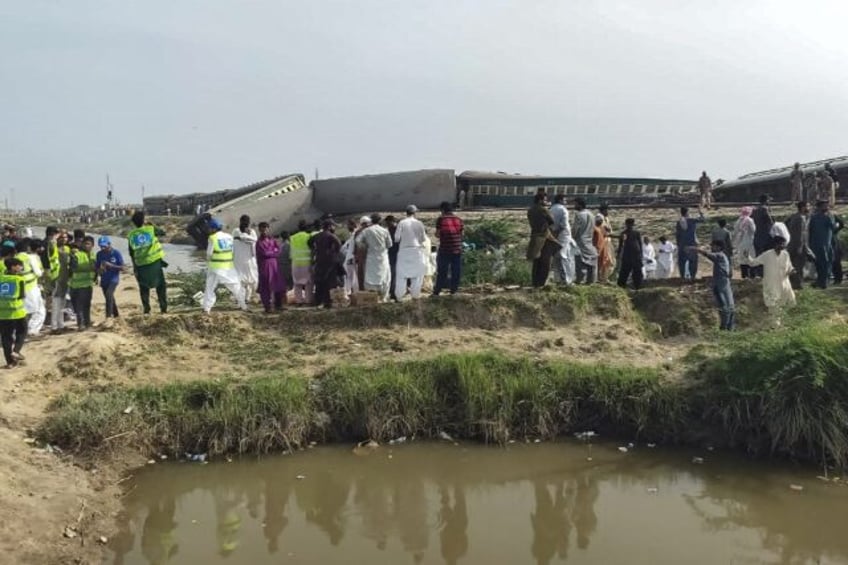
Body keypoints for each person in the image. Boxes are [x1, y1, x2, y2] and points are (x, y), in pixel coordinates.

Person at [746, 231, 795, 326]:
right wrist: (747, 257)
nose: (782, 246)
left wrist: (792, 271)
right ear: (775, 244)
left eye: (783, 244)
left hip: (784, 284)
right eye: (781, 244)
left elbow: (790, 267)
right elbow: (753, 263)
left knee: (789, 303)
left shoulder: (785, 254)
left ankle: (784, 323)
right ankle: (775, 327)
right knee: (773, 306)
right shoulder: (767, 255)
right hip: (771, 284)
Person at [127, 211, 168, 314]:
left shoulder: (131, 235)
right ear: (144, 220)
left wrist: (135, 267)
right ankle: (163, 308)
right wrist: (152, 224)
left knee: (143, 287)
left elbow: (131, 253)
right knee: (161, 285)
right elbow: (163, 232)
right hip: (154, 262)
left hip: (141, 265)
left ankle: (147, 309)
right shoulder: (151, 229)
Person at [203, 218, 247, 313]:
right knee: (235, 285)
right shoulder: (229, 236)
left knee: (210, 287)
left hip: (215, 267)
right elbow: (232, 251)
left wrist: (208, 262)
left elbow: (209, 254)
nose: (208, 230)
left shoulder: (212, 238)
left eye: (209, 228)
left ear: (213, 229)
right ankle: (243, 305)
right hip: (228, 266)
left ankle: (207, 308)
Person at [691, 240, 735, 330]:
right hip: (724, 282)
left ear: (718, 247)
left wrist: (696, 249)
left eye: (713, 246)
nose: (712, 248)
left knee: (724, 306)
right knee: (729, 305)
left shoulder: (719, 255)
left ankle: (724, 328)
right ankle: (729, 327)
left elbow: (708, 254)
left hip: (721, 283)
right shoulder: (724, 257)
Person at [394, 205, 428, 300]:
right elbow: (423, 239)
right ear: (415, 213)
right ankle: (415, 295)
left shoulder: (402, 223)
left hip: (404, 251)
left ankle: (399, 296)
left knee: (401, 275)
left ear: (406, 212)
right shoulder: (419, 223)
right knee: (417, 275)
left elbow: (396, 239)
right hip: (416, 250)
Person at [358, 213, 393, 301]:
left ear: (371, 221)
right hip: (383, 257)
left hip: (371, 257)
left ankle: (372, 298)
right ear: (380, 220)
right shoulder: (384, 230)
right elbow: (390, 244)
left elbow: (358, 240)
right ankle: (383, 297)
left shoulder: (366, 231)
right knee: (384, 276)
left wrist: (365, 246)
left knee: (371, 277)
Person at [526, 194, 559, 288]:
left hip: (535, 236)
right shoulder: (543, 209)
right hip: (544, 236)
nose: (546, 201)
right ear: (540, 200)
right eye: (545, 200)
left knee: (536, 262)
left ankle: (535, 282)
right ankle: (541, 283)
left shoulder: (530, 210)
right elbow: (552, 221)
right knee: (545, 261)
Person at [0, 257, 28, 368]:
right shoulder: (19, 279)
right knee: (22, 331)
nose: (21, 268)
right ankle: (16, 351)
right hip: (17, 312)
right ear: (13, 267)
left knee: (6, 337)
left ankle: (10, 362)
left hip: (2, 313)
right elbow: (23, 295)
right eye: (19, 265)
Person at [433, 201, 464, 295]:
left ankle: (437, 291)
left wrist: (439, 235)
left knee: (442, 271)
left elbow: (438, 234)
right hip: (457, 249)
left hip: (445, 249)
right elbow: (462, 234)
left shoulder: (441, 219)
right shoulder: (459, 219)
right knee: (456, 271)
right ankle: (453, 291)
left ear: (442, 210)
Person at [311, 220, 342, 308]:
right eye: (333, 226)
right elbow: (338, 244)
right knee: (330, 281)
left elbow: (309, 242)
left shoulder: (317, 235)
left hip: (319, 259)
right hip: (329, 261)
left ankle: (318, 301)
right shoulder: (331, 236)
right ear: (329, 226)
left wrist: (315, 249)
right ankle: (328, 301)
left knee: (319, 280)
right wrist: (333, 252)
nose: (334, 228)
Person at [68, 235, 97, 330]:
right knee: (79, 306)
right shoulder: (77, 255)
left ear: (93, 245)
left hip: (88, 284)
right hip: (77, 285)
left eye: (89, 244)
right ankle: (81, 324)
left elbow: (96, 268)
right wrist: (90, 268)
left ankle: (87, 323)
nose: (86, 246)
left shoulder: (93, 255)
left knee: (87, 305)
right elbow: (74, 268)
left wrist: (96, 276)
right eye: (85, 244)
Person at [255, 222, 285, 313]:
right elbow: (264, 253)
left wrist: (271, 252)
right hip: (265, 266)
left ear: (268, 229)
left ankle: (278, 305)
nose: (264, 231)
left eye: (266, 228)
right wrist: (273, 252)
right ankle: (267, 307)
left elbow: (278, 250)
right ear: (260, 230)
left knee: (278, 285)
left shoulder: (272, 240)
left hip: (274, 265)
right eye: (262, 229)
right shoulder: (259, 242)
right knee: (265, 287)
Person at [808, 200, 838, 289]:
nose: (827, 207)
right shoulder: (827, 217)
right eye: (825, 206)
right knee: (824, 264)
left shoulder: (813, 217)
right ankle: (822, 282)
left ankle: (821, 281)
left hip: (820, 244)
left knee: (821, 264)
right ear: (820, 207)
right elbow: (833, 228)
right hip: (823, 244)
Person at [786, 201, 814, 289]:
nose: (809, 208)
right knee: (798, 266)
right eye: (807, 206)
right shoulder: (800, 218)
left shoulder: (795, 216)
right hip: (798, 246)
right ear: (802, 207)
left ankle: (795, 284)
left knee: (794, 266)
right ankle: (797, 285)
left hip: (793, 245)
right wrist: (802, 248)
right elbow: (801, 235)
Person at [94, 236, 124, 319]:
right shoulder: (99, 254)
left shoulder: (116, 253)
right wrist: (98, 271)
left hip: (113, 279)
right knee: (110, 298)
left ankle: (108, 316)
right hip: (104, 279)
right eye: (101, 246)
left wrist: (111, 265)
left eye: (104, 246)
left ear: (109, 244)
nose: (103, 248)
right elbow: (96, 268)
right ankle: (116, 316)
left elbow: (122, 267)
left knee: (109, 294)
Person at [21, 240, 46, 336]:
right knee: (38, 310)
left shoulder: (21, 256)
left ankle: (25, 329)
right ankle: (32, 330)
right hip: (32, 287)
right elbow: (38, 273)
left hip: (24, 286)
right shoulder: (33, 258)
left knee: (26, 310)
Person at [571, 197, 598, 284]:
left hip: (580, 240)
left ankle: (580, 280)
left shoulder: (579, 215)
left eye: (575, 204)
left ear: (579, 204)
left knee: (580, 262)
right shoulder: (592, 215)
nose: (574, 206)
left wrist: (572, 238)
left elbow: (575, 229)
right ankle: (591, 280)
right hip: (589, 240)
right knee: (591, 262)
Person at [232, 215, 259, 303]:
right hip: (246, 259)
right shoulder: (250, 232)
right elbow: (254, 241)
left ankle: (244, 298)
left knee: (243, 279)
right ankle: (245, 297)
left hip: (242, 259)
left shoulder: (237, 231)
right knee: (247, 279)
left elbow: (254, 241)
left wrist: (242, 237)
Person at [550, 194, 575, 285]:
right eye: (564, 200)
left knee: (557, 257)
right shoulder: (563, 210)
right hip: (563, 236)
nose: (566, 202)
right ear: (560, 200)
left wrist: (553, 234)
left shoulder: (551, 209)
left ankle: (558, 279)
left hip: (553, 234)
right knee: (565, 257)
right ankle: (566, 280)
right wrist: (557, 234)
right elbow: (563, 225)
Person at [675, 207, 705, 281]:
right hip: (692, 244)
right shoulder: (691, 220)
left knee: (682, 262)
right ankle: (692, 277)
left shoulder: (679, 222)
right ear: (687, 212)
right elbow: (703, 219)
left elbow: (677, 235)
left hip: (682, 244)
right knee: (693, 261)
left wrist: (678, 244)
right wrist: (701, 212)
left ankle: (683, 277)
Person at [290, 221, 313, 306]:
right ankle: (308, 300)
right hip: (306, 262)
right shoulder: (309, 236)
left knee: (297, 283)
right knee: (308, 283)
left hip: (295, 263)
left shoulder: (292, 237)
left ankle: (299, 301)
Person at [50, 232, 70, 332]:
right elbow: (51, 245)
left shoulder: (67, 249)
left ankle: (61, 324)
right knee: (56, 303)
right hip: (56, 278)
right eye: (61, 237)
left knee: (62, 303)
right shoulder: (54, 249)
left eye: (65, 237)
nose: (64, 239)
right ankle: (54, 326)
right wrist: (54, 238)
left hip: (65, 279)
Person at [616, 218, 643, 290]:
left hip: (636, 255)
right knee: (624, 271)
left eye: (631, 224)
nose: (630, 226)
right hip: (627, 255)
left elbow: (640, 244)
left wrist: (641, 255)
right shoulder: (623, 233)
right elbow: (620, 245)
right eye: (629, 224)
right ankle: (621, 286)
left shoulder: (636, 233)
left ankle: (638, 286)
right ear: (626, 225)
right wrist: (618, 254)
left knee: (637, 272)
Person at [750, 195, 774, 278]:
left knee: (758, 254)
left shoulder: (754, 210)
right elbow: (770, 221)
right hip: (766, 235)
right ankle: (765, 272)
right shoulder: (765, 209)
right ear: (766, 200)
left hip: (757, 234)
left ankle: (758, 272)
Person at [732, 206, 757, 279]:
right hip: (749, 242)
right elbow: (753, 230)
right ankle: (752, 275)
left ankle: (744, 276)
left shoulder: (738, 220)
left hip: (741, 243)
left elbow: (735, 231)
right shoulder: (750, 220)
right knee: (750, 259)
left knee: (742, 260)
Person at [340, 219, 361, 298]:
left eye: (348, 225)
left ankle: (353, 294)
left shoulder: (355, 234)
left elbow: (347, 248)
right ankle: (351, 294)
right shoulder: (352, 234)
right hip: (350, 258)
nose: (347, 227)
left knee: (352, 277)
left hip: (352, 258)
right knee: (351, 277)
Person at [597, 204, 616, 282]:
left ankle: (605, 277)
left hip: (608, 241)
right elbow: (600, 228)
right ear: (603, 210)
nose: (607, 212)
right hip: (603, 242)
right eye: (606, 210)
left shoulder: (606, 218)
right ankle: (601, 277)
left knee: (609, 261)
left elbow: (609, 230)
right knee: (604, 260)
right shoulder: (599, 217)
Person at [384, 215, 400, 300]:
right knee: (392, 273)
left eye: (388, 223)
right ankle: (392, 291)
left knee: (395, 273)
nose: (387, 224)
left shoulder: (398, 230)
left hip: (397, 254)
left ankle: (394, 292)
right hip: (390, 254)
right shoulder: (388, 230)